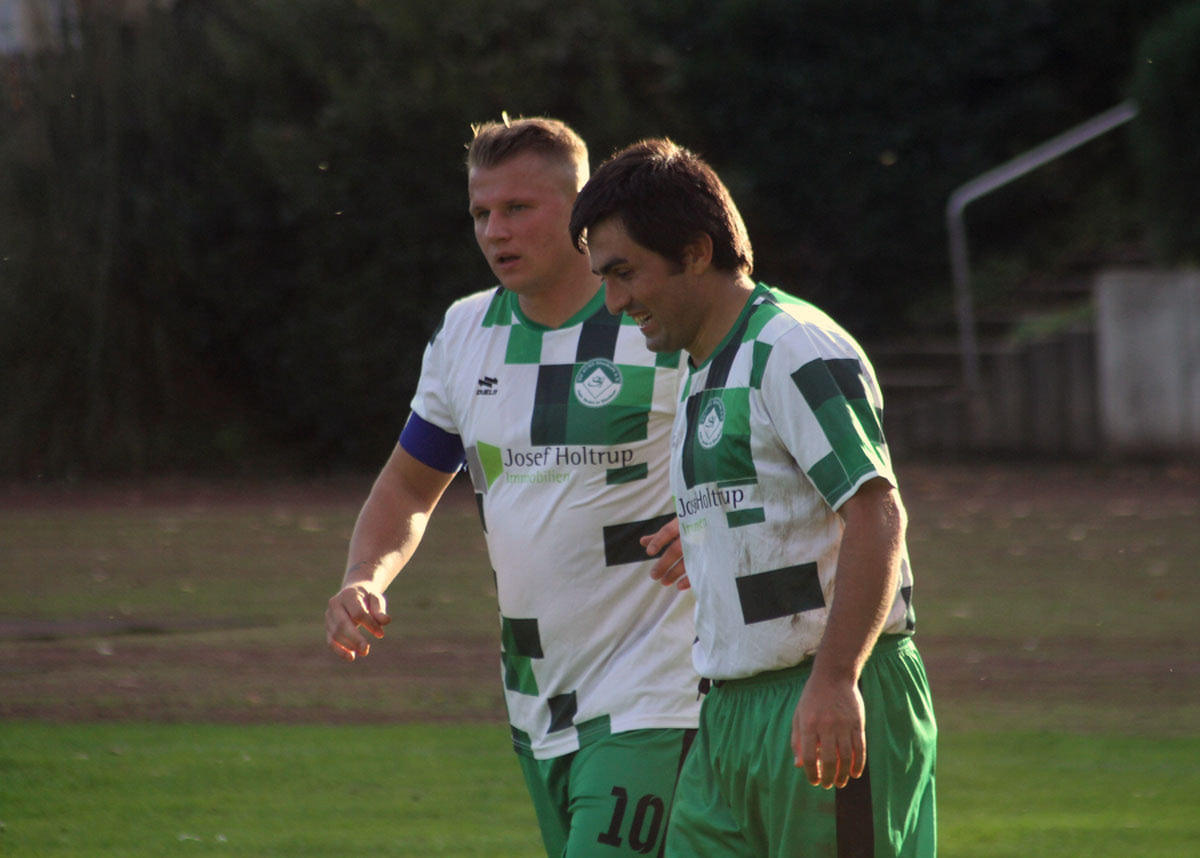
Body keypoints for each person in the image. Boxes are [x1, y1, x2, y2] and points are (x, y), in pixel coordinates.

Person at [324, 117, 700, 858]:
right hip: (537, 695)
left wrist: (719, 520)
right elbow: (406, 488)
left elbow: (764, 446)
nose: (496, 230)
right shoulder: (465, 332)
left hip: (659, 690)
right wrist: (363, 576)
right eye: (481, 213)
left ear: (583, 207)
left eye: (518, 208)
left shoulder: (660, 322)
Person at [569, 138, 937, 857]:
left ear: (697, 251)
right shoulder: (703, 367)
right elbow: (781, 499)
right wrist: (710, 539)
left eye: (624, 273)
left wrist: (836, 679)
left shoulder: (793, 347)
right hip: (729, 712)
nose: (613, 302)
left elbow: (875, 511)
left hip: (820, 690)